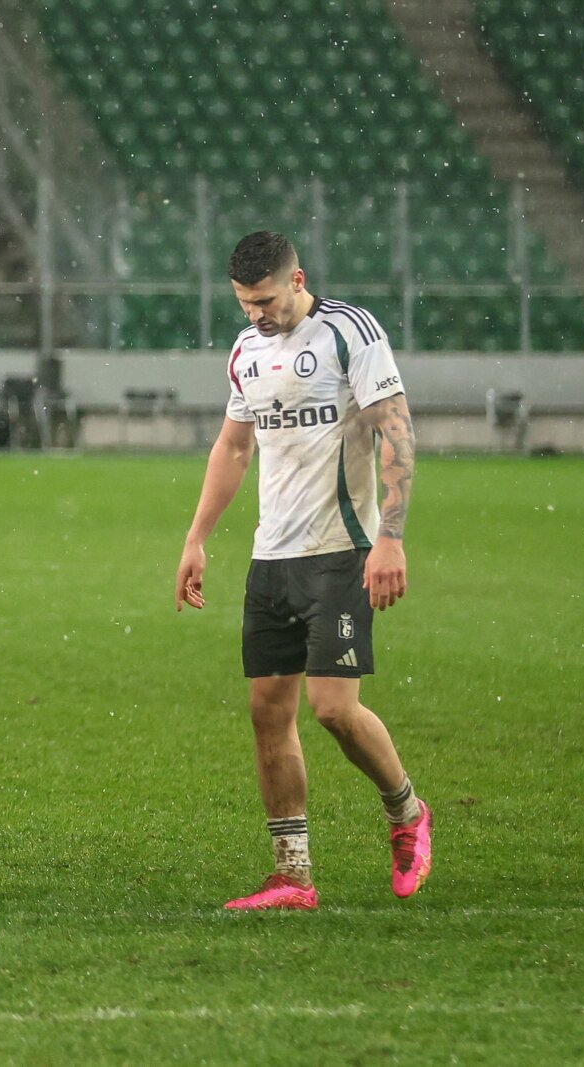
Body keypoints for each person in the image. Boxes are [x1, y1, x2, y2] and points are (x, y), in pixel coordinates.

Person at [175, 230, 431, 911]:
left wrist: (392, 539)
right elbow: (234, 446)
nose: (255, 314)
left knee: (332, 709)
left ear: (297, 279)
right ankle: (293, 873)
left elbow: (395, 429)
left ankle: (406, 814)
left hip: (341, 551)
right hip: (272, 557)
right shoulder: (245, 351)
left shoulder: (350, 331)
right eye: (243, 303)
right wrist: (197, 536)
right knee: (267, 712)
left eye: (264, 300)